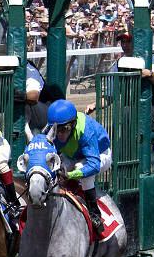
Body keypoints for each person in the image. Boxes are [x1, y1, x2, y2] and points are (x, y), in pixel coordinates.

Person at [45, 99, 112, 237]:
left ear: (74, 124)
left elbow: (93, 165)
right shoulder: (51, 128)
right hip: (73, 155)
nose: (60, 134)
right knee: (56, 166)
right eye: (58, 130)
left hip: (99, 155)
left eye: (65, 129)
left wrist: (70, 175)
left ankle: (95, 215)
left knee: (81, 167)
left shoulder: (87, 131)